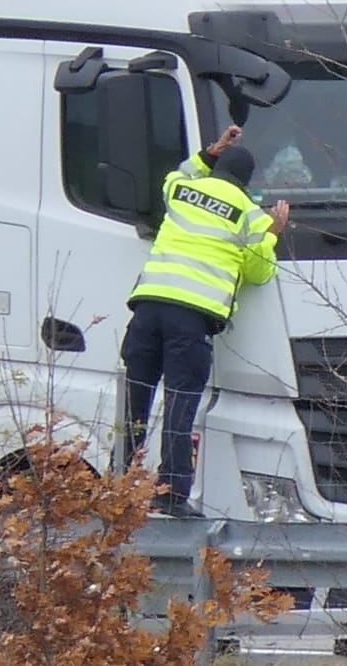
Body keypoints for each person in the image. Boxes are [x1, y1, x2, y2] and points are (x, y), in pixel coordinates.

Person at [120, 124, 290, 518]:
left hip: (148, 308)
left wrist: (209, 152)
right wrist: (274, 232)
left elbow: (177, 173)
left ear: (217, 166)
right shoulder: (249, 217)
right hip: (190, 320)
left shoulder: (180, 191)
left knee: (135, 400)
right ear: (246, 181)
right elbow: (258, 271)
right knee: (180, 405)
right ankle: (171, 494)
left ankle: (121, 486)